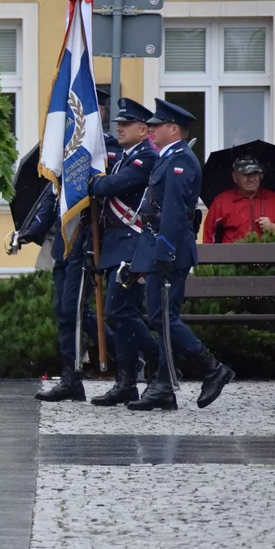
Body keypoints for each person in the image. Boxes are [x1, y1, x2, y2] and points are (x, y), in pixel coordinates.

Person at [126, 98, 234, 411]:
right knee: (159, 317)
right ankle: (162, 386)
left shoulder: (181, 160)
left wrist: (164, 252)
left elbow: (173, 211)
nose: (152, 130)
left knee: (163, 317)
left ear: (174, 129)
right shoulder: (167, 157)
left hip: (168, 248)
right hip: (156, 245)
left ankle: (213, 368)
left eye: (157, 126)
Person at [18, 133, 120, 402]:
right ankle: (71, 378)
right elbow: (54, 197)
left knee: (73, 310)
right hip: (64, 243)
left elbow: (109, 195)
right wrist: (30, 231)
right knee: (65, 312)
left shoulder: (105, 149)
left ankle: (130, 357)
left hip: (87, 241)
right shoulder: (66, 150)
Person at [85, 98, 160, 406]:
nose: (119, 128)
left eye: (126, 124)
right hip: (115, 246)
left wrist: (93, 181)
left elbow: (112, 186)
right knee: (118, 316)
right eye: (118, 123)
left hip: (133, 245)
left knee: (119, 311)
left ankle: (159, 359)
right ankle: (126, 382)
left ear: (144, 130)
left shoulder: (147, 158)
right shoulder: (124, 157)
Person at [203, 155, 275, 243]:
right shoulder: (221, 201)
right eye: (245, 174)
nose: (251, 179)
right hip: (232, 260)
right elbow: (209, 237)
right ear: (235, 177)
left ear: (261, 176)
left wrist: (274, 227)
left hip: (270, 260)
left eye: (255, 174)